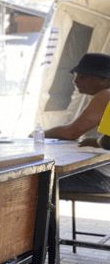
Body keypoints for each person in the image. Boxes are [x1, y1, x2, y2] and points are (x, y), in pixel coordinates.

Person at [43, 52, 110, 194]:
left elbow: (71, 133)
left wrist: (40, 134)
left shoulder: (106, 95)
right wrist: (99, 141)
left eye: (82, 77)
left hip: (103, 179)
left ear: (103, 79)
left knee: (40, 183)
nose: (75, 82)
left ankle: (50, 217)